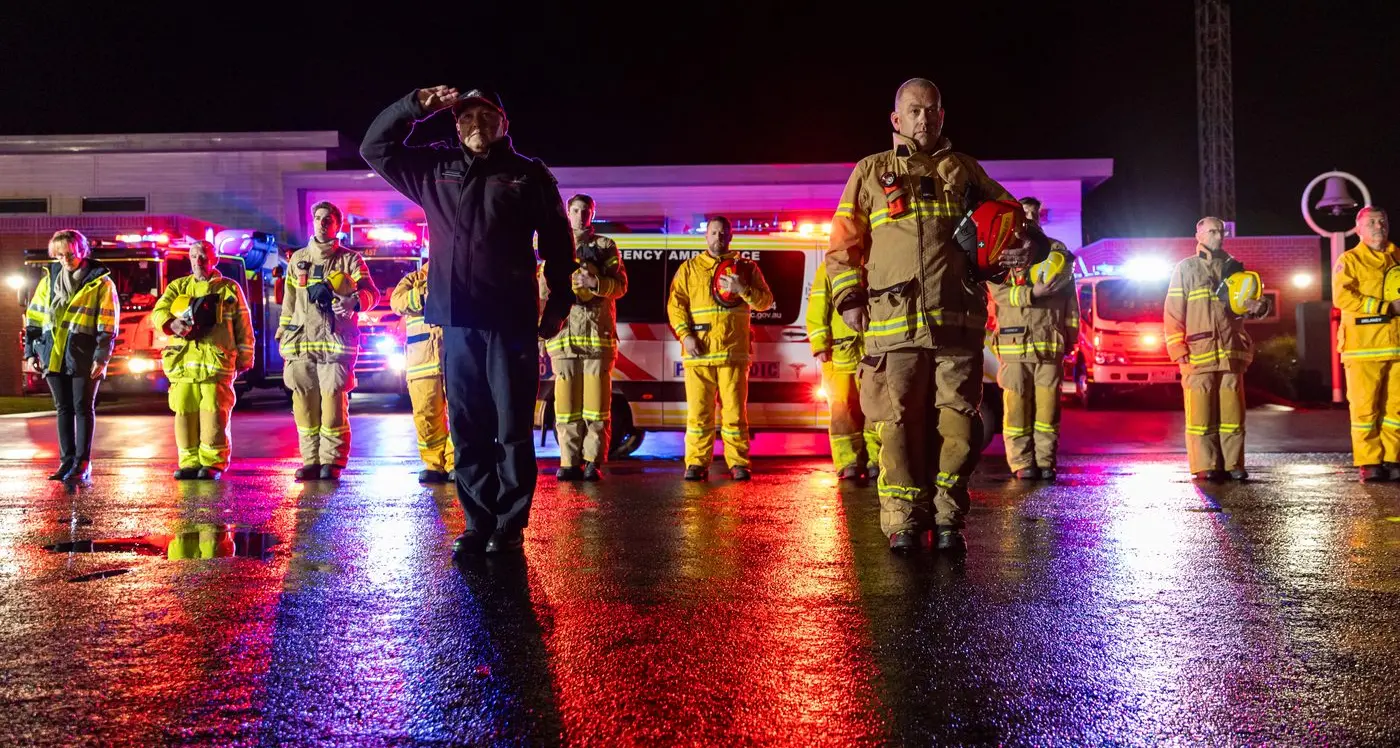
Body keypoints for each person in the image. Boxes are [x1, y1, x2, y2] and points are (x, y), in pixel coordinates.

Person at [361, 85, 575, 557]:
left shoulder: (527, 175)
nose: (476, 124)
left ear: (504, 123)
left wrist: (558, 303)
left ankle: (510, 525)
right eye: (466, 117)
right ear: (455, 124)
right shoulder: (435, 171)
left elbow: (560, 245)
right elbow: (374, 147)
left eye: (486, 115)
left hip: (511, 324)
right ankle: (478, 522)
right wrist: (414, 106)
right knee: (467, 426)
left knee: (512, 427)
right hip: (456, 324)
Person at [825, 78, 1035, 554]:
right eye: (915, 111)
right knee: (895, 427)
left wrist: (1024, 247)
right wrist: (849, 300)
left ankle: (947, 519)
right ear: (896, 120)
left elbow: (1013, 223)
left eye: (933, 110)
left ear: (943, 116)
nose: (925, 119)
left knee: (958, 426)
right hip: (892, 328)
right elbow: (841, 245)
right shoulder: (870, 172)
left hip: (956, 327)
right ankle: (902, 520)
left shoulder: (965, 172)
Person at [276, 201, 379, 482]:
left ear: (338, 225)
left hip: (336, 344)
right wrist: (282, 335)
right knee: (304, 405)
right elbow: (289, 304)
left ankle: (332, 461)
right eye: (318, 218)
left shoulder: (351, 260)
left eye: (328, 219)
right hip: (300, 345)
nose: (322, 223)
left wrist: (353, 302)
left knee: (333, 404)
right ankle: (310, 460)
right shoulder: (298, 260)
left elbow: (372, 294)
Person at [666, 215, 774, 481]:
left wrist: (744, 289)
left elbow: (765, 302)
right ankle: (696, 463)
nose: (718, 238)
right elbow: (676, 306)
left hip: (732, 353)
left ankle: (738, 463)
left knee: (735, 413)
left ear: (731, 237)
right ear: (706, 236)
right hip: (698, 353)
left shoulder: (746, 269)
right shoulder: (689, 269)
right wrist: (685, 336)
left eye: (723, 234)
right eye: (714, 233)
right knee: (699, 413)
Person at [1163, 216, 1266, 482]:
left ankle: (1233, 464)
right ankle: (1205, 465)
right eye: (1211, 231)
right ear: (1198, 235)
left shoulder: (1235, 268)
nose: (1217, 236)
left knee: (1233, 415)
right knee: (1200, 415)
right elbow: (1173, 312)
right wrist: (1177, 348)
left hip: (1231, 352)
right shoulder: (1185, 269)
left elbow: (1248, 305)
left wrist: (1259, 307)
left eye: (1220, 231)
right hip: (1197, 353)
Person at [989, 197, 1078, 481]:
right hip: (1014, 348)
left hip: (1049, 345)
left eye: (1034, 213)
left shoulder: (1057, 253)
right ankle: (1021, 462)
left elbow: (1070, 301)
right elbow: (998, 293)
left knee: (1048, 411)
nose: (1030, 217)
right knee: (1016, 409)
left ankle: (1045, 461)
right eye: (1024, 213)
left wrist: (1071, 338)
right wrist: (1032, 295)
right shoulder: (1003, 250)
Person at [149, 240, 255, 480]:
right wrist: (170, 323)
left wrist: (246, 357)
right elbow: (158, 312)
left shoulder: (229, 289)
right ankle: (188, 462)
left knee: (214, 413)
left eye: (204, 257)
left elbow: (243, 326)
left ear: (215, 260)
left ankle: (213, 463)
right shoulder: (178, 287)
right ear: (189, 259)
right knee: (184, 411)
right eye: (195, 256)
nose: (199, 261)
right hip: (183, 365)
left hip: (215, 364)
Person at [541, 194, 628, 481]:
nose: (580, 216)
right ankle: (568, 461)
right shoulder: (553, 245)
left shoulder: (605, 246)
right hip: (563, 338)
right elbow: (542, 292)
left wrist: (595, 283)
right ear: (567, 212)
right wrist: (541, 336)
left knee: (597, 406)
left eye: (586, 211)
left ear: (593, 214)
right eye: (576, 210)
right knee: (564, 408)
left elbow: (620, 286)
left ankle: (592, 461)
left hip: (596, 339)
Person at [23, 229, 119, 483]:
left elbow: (108, 324)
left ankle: (82, 463)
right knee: (63, 409)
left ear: (82, 251)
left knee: (82, 408)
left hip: (84, 356)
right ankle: (67, 462)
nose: (65, 259)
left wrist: (102, 357)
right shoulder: (48, 280)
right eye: (59, 255)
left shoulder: (101, 283)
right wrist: (31, 351)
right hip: (53, 355)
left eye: (69, 254)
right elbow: (34, 318)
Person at [1332, 207, 1400, 482]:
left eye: (1382, 221)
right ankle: (1369, 462)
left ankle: (1393, 458)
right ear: (1358, 229)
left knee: (1396, 408)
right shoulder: (1349, 260)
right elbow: (1342, 297)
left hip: (1396, 347)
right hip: (1362, 348)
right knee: (1365, 408)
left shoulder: (1397, 256)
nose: (1378, 226)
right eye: (1371, 222)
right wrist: (1385, 307)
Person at [806, 260, 881, 481]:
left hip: (870, 351)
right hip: (839, 353)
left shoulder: (874, 264)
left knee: (875, 408)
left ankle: (875, 459)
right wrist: (820, 343)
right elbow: (818, 307)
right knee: (842, 412)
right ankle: (848, 461)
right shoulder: (828, 269)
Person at [390, 259, 456, 484]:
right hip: (422, 362)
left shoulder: (459, 274)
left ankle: (456, 462)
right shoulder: (413, 279)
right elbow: (396, 302)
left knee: (459, 412)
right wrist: (424, 293)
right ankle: (433, 464)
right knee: (426, 415)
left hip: (453, 358)